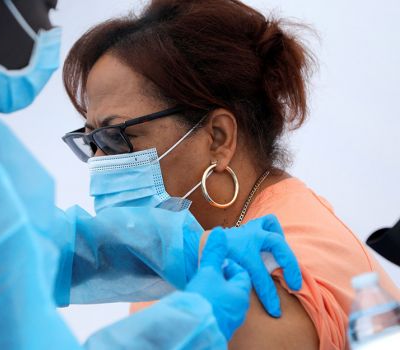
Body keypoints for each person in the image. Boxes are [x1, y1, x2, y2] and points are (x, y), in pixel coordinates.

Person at [0, 0, 303, 349]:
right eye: (45, 6)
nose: (48, 28)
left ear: (220, 136)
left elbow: (25, 242)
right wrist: (193, 323)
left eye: (121, 137)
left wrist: (180, 247)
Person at [60, 0, 400, 348]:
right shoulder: (196, 265)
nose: (98, 161)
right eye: (90, 141)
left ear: (218, 138)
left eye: (116, 135)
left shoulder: (264, 281)